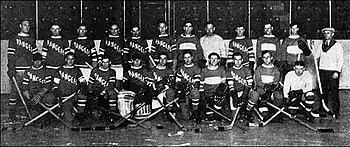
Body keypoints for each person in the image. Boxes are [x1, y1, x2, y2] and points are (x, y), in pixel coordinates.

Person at [7, 19, 38, 122]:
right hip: (18, 70)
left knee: (28, 91)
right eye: (25, 25)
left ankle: (26, 112)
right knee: (15, 92)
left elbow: (36, 55)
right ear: (20, 25)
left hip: (29, 70)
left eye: (29, 26)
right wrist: (11, 68)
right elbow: (10, 55)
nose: (27, 27)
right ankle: (12, 114)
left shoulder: (31, 39)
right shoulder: (14, 39)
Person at [312, 27, 344, 119]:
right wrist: (312, 48)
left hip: (333, 72)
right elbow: (316, 55)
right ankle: (323, 110)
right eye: (325, 33)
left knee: (334, 93)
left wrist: (337, 71)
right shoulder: (321, 45)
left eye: (328, 33)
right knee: (323, 92)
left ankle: (336, 111)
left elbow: (340, 60)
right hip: (323, 71)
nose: (326, 35)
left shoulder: (337, 45)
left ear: (332, 34)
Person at [52, 52, 88, 126]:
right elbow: (55, 85)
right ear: (65, 59)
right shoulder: (59, 70)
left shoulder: (77, 70)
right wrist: (57, 92)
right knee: (69, 119)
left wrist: (83, 85)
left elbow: (82, 81)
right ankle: (66, 112)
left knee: (83, 96)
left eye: (72, 59)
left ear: (74, 60)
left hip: (74, 95)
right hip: (64, 97)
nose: (70, 61)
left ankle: (80, 115)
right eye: (68, 59)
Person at [22, 53, 55, 126]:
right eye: (35, 61)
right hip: (33, 96)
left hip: (43, 95)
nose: (37, 63)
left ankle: (47, 116)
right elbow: (24, 88)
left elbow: (47, 86)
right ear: (32, 61)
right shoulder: (28, 71)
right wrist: (30, 97)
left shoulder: (46, 71)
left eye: (39, 61)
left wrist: (39, 95)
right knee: (34, 117)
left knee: (50, 98)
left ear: (41, 61)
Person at [251, 50, 284, 122]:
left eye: (268, 57)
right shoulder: (259, 69)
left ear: (271, 58)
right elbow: (258, 81)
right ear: (262, 59)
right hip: (262, 89)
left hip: (272, 89)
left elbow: (276, 81)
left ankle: (276, 113)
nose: (266, 59)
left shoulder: (276, 69)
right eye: (264, 57)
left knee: (279, 95)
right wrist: (265, 87)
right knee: (257, 96)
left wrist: (271, 89)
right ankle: (262, 111)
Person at [226, 52, 256, 122]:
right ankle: (237, 112)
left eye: (239, 59)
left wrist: (244, 96)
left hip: (245, 90)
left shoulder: (246, 69)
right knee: (235, 117)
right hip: (235, 92)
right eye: (236, 59)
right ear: (233, 60)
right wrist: (234, 97)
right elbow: (231, 85)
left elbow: (249, 84)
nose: (237, 62)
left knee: (254, 94)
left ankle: (247, 111)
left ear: (242, 60)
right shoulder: (230, 70)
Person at [87, 55, 117, 123]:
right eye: (103, 62)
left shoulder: (112, 71)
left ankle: (112, 114)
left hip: (105, 92)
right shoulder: (95, 70)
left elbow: (111, 85)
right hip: (96, 92)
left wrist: (104, 92)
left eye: (107, 62)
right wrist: (90, 92)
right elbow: (90, 83)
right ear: (101, 62)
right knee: (95, 117)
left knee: (112, 93)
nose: (105, 64)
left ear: (110, 62)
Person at [199, 52, 228, 122]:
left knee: (220, 116)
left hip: (217, 94)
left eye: (215, 59)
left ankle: (218, 109)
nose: (214, 60)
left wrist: (220, 92)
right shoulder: (204, 70)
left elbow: (223, 84)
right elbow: (201, 85)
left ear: (218, 60)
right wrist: (202, 96)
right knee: (209, 116)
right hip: (207, 94)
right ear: (209, 60)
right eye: (212, 58)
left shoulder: (221, 70)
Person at [175, 50, 201, 121]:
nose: (187, 59)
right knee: (186, 117)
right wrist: (181, 87)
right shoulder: (180, 68)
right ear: (183, 58)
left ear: (192, 57)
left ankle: (195, 112)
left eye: (189, 57)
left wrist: (189, 87)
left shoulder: (196, 68)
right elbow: (177, 81)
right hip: (183, 90)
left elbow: (197, 83)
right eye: (185, 58)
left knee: (195, 92)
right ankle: (188, 111)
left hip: (191, 89)